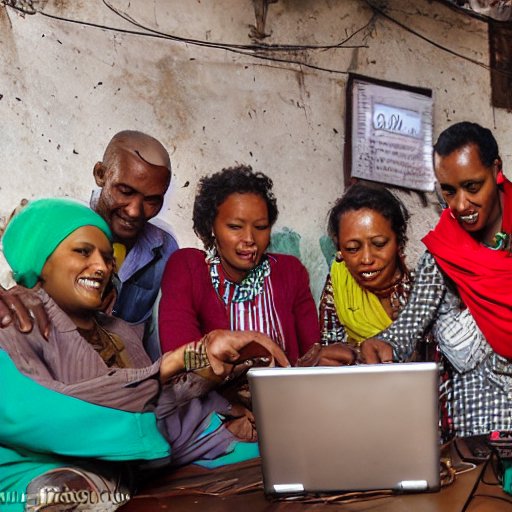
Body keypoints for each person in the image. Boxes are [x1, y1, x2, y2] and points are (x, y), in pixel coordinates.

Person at [0, 198, 288, 511]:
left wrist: (211, 363)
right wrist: (178, 362)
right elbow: (38, 412)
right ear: (39, 259)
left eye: (108, 257)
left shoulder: (119, 331)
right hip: (53, 466)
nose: (101, 266)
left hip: (147, 458)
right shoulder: (15, 320)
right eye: (83, 251)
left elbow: (162, 387)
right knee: (61, 494)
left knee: (278, 458)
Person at [361, 121, 512, 437]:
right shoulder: (443, 251)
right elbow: (411, 322)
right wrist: (384, 344)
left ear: (496, 169)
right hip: (480, 422)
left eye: (473, 187)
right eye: (448, 191)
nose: (460, 205)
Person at [0, 131, 178, 359]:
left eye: (152, 200)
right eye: (125, 191)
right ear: (101, 174)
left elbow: (157, 336)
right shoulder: (52, 223)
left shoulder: (165, 249)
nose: (134, 211)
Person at [158, 165, 355, 366]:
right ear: (211, 227)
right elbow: (181, 358)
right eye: (235, 227)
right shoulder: (187, 267)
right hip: (214, 396)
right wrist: (255, 345)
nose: (250, 239)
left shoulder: (290, 272)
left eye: (261, 227)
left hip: (284, 393)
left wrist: (318, 359)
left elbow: (310, 351)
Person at [319, 183, 413, 348]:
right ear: (340, 249)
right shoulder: (340, 284)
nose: (367, 259)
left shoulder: (420, 287)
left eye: (379, 244)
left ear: (399, 242)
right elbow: (330, 347)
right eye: (352, 249)